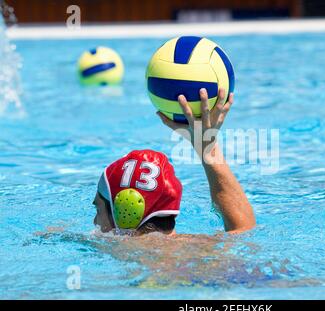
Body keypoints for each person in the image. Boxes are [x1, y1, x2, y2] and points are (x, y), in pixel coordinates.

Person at [93, 88, 256, 235]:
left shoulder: (117, 249)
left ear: (126, 211)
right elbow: (244, 231)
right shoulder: (205, 248)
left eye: (98, 210)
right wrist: (208, 149)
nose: (95, 221)